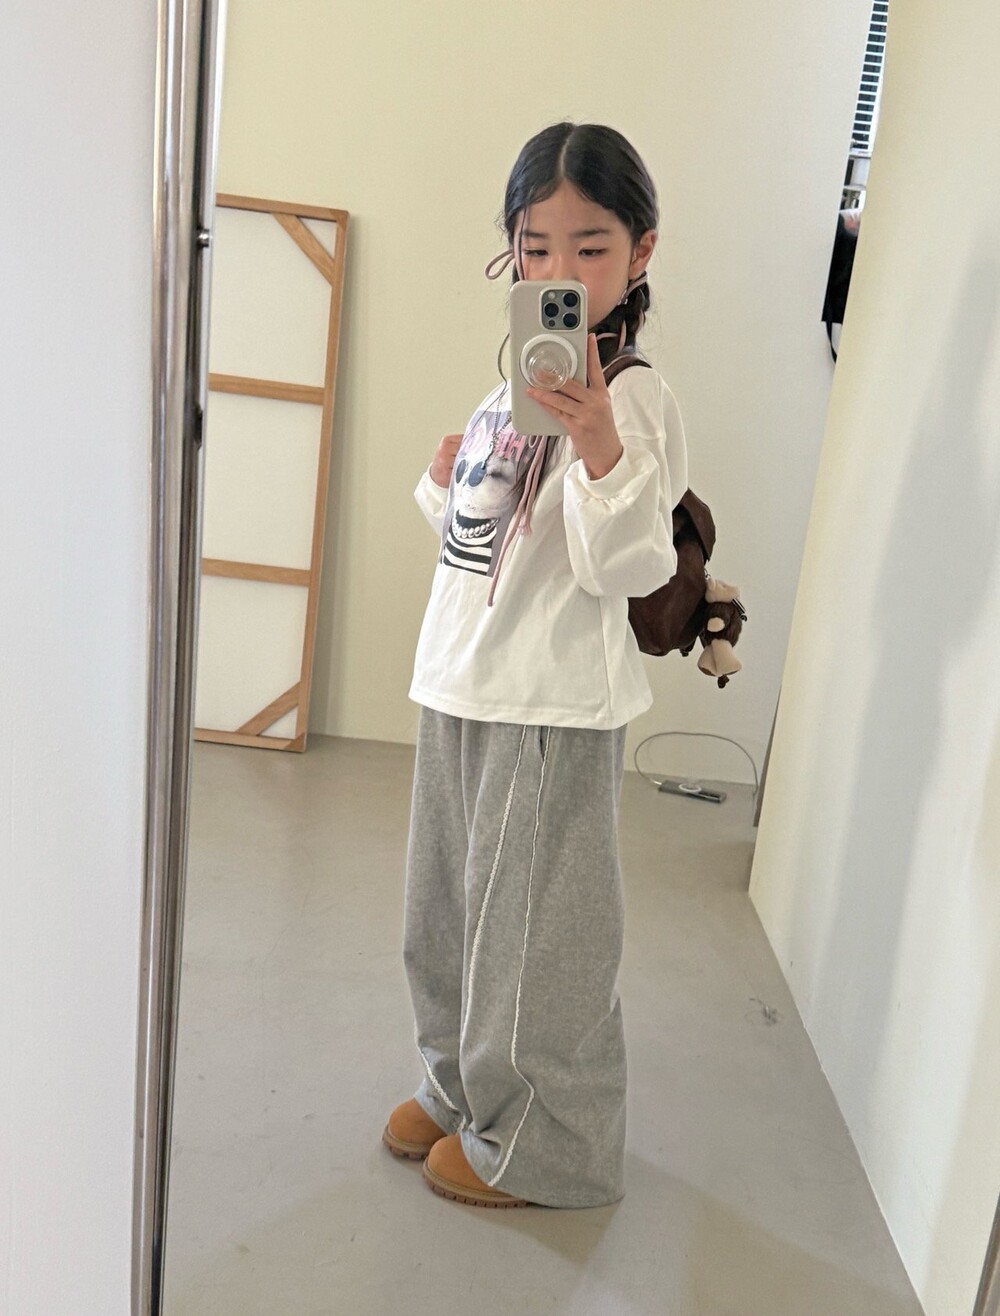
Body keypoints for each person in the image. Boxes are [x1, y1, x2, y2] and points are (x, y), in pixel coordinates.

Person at [382, 121, 689, 1209]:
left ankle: (550, 1145)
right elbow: (481, 549)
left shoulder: (634, 395)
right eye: (536, 245)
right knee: (443, 917)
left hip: (549, 702)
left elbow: (628, 565)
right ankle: (461, 1086)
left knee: (536, 940)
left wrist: (600, 446)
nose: (559, 270)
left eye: (590, 247)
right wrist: (451, 475)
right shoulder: (508, 386)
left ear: (639, 252)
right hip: (463, 679)